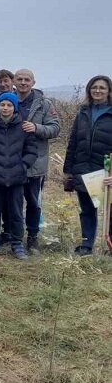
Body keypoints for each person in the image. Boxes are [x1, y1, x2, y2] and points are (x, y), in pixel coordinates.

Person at [0, 92, 38, 260]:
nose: (5, 108)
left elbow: (31, 150)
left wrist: (23, 166)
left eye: (9, 105)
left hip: (17, 178)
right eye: (2, 104)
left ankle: (17, 243)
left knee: (17, 212)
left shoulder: (23, 128)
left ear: (14, 108)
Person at [13, 69, 61, 253]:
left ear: (33, 82)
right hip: (12, 162)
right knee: (12, 202)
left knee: (33, 202)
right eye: (20, 79)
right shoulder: (8, 101)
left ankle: (32, 237)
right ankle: (13, 235)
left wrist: (36, 127)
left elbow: (55, 128)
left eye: (27, 79)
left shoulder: (44, 104)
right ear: (14, 81)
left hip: (36, 164)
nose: (23, 82)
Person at [63, 75, 112, 255]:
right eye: (94, 88)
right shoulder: (83, 113)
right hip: (84, 169)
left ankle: (110, 245)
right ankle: (86, 245)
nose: (97, 91)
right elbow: (73, 142)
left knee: (110, 210)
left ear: (109, 91)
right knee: (87, 210)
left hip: (106, 170)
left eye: (102, 88)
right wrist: (68, 170)